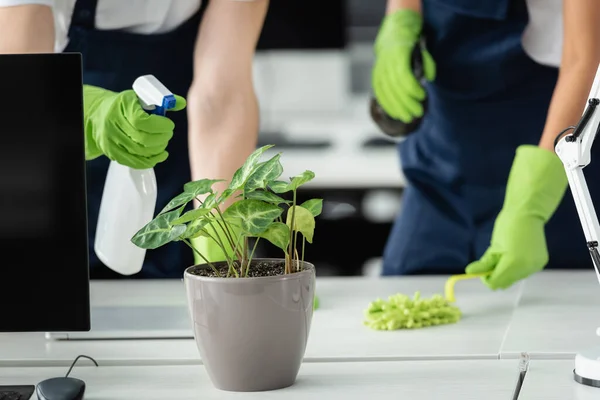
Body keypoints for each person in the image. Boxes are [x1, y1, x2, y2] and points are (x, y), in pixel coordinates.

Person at [0, 0, 269, 278]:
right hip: (50, 175)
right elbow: (21, 84)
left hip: (175, 168)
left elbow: (221, 97)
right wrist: (89, 114)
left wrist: (221, 251)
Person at [373, 0, 600, 288]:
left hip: (551, 144)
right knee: (402, 294)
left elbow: (584, 59)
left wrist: (533, 203)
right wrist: (401, 19)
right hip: (443, 157)